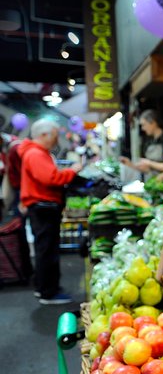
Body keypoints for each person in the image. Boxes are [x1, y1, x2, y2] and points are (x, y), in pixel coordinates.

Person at [19, 118, 82, 304]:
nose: (56, 140)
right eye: (54, 136)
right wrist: (72, 171)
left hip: (41, 207)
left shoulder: (35, 153)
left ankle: (43, 287)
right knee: (47, 250)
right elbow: (51, 178)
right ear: (44, 135)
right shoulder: (35, 154)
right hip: (43, 207)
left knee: (44, 249)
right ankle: (48, 292)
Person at [120, 109, 163, 178]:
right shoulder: (149, 141)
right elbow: (148, 169)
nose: (142, 128)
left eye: (144, 125)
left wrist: (149, 163)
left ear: (153, 123)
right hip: (151, 181)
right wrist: (130, 164)